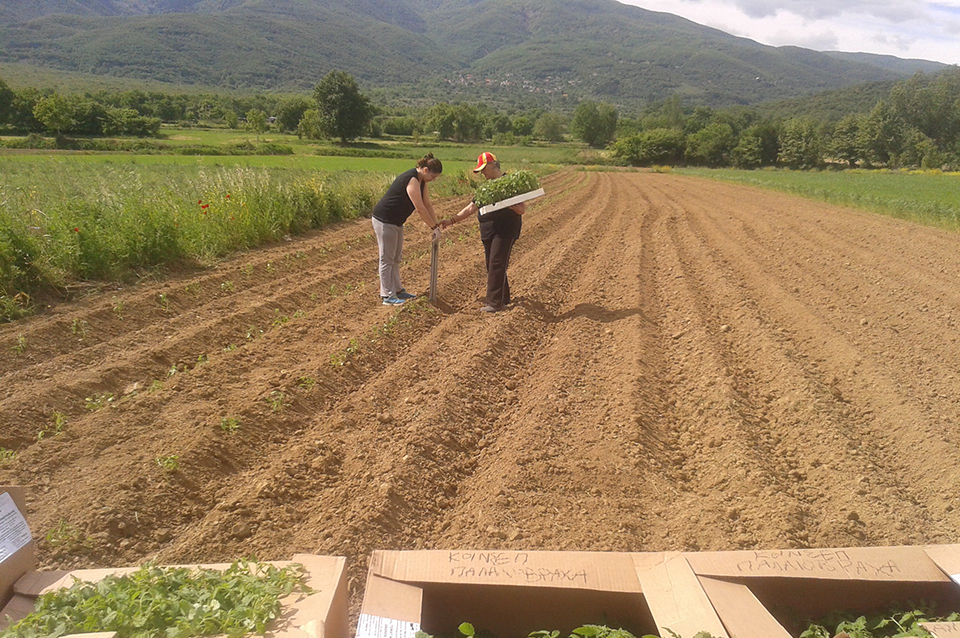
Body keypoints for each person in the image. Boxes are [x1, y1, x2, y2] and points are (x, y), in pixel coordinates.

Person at [441, 152, 525, 313]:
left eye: (483, 169)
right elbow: (472, 207)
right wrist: (452, 220)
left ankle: (494, 303)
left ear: (493, 164)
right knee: (492, 264)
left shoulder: (509, 183)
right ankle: (504, 297)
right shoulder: (485, 187)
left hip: (505, 230)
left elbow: (521, 209)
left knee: (496, 263)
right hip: (488, 231)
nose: (482, 173)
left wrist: (512, 205)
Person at [371, 153, 443, 305]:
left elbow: (428, 204)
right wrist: (432, 227)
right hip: (385, 220)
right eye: (433, 176)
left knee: (396, 258)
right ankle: (387, 296)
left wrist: (436, 226)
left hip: (396, 221)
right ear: (425, 170)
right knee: (386, 258)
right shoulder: (412, 180)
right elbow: (420, 208)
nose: (433, 179)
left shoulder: (422, 182)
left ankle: (398, 291)